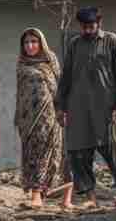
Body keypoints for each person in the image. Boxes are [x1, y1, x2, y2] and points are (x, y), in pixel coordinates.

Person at [55, 7, 116, 209]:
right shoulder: (75, 44)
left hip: (106, 108)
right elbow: (65, 78)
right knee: (79, 153)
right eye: (84, 27)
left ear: (99, 23)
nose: (88, 30)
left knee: (114, 150)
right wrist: (60, 106)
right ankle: (90, 196)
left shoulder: (111, 41)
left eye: (91, 26)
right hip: (79, 108)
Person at [15, 28, 73, 209]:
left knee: (59, 154)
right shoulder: (21, 64)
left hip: (52, 117)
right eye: (26, 42)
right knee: (34, 154)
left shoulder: (51, 61)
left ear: (41, 43)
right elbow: (21, 94)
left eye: (34, 41)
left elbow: (59, 87)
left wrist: (63, 109)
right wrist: (19, 117)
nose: (30, 46)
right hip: (30, 119)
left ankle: (66, 198)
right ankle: (36, 195)